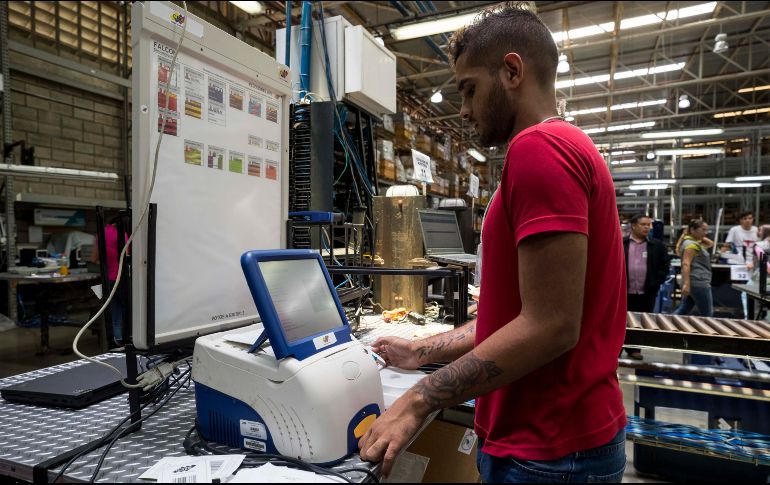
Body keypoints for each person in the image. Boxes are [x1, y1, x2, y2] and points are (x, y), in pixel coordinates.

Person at [358, 5, 627, 483]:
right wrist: (421, 353)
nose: (462, 109)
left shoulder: (539, 151)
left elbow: (550, 325)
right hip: (554, 444)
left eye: (469, 89)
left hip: (547, 452)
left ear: (511, 70)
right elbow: (515, 318)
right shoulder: (562, 148)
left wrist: (419, 398)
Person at [622, 214, 669, 360]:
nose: (647, 227)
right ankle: (615, 349)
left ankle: (634, 349)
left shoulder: (657, 245)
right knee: (619, 322)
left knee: (639, 322)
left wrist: (656, 282)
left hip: (646, 292)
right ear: (633, 226)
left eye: (649, 225)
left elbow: (664, 266)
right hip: (623, 292)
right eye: (643, 224)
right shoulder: (621, 243)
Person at [90, 222, 126, 346]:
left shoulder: (101, 234)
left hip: (108, 280)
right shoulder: (125, 234)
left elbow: (93, 259)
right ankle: (130, 345)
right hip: (124, 279)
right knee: (130, 316)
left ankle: (117, 344)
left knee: (115, 316)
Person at [674, 219, 714, 317]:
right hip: (698, 282)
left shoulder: (692, 242)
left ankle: (665, 326)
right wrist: (686, 284)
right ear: (693, 229)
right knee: (707, 313)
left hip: (695, 281)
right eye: (703, 230)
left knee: (683, 310)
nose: (706, 232)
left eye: (706, 230)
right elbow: (686, 264)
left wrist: (695, 235)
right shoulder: (691, 245)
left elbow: (710, 243)